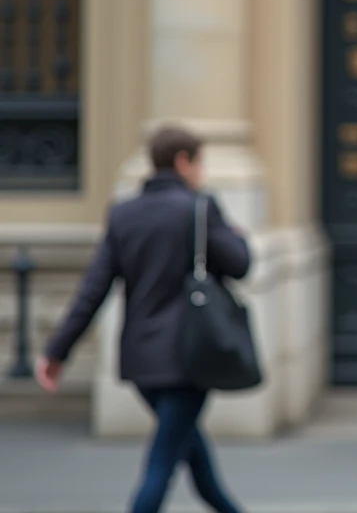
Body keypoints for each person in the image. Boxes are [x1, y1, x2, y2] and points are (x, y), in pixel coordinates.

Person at [36, 126, 250, 513]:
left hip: (142, 361)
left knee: (195, 460)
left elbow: (92, 291)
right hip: (189, 357)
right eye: (199, 162)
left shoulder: (123, 214)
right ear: (183, 161)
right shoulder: (199, 209)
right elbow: (240, 265)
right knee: (161, 465)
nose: (201, 172)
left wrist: (57, 351)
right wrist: (236, 237)